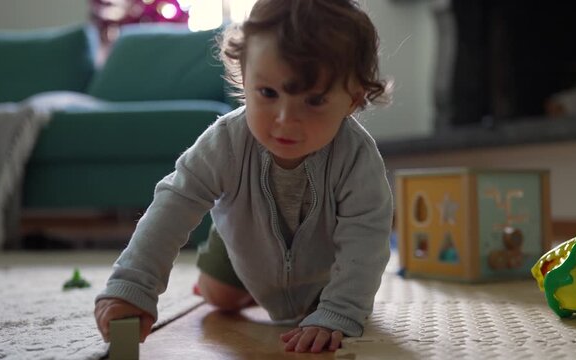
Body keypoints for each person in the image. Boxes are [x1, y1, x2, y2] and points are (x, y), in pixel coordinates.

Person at [94, 0, 393, 353]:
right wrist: (133, 284)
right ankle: (215, 273)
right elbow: (172, 205)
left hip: (323, 266)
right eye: (268, 93)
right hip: (244, 239)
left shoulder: (357, 156)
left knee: (318, 307)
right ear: (244, 75)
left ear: (353, 100)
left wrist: (339, 310)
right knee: (222, 296)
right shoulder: (225, 142)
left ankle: (313, 299)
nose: (284, 120)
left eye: (313, 101)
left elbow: (366, 237)